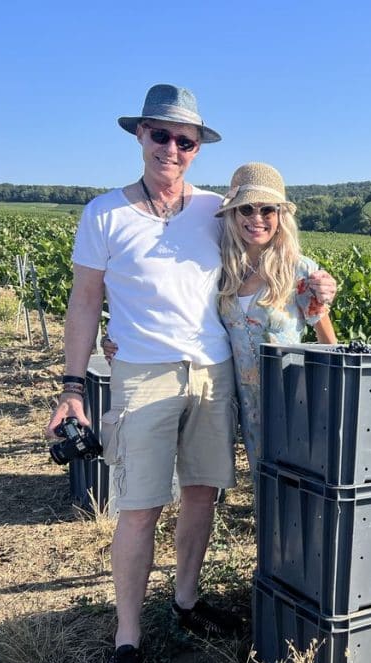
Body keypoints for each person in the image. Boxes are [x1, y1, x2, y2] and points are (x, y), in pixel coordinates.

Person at [45, 84, 336, 663]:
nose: (172, 148)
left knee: (202, 497)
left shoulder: (217, 210)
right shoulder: (104, 213)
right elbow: (85, 302)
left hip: (213, 373)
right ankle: (128, 639)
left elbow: (274, 246)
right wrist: (73, 386)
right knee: (140, 506)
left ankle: (185, 601)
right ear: (140, 137)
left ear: (198, 148)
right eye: (161, 135)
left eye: (185, 140)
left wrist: (317, 284)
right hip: (143, 375)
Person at [106, 162, 339, 470]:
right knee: (260, 478)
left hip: (288, 398)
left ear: (280, 217)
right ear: (232, 215)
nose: (257, 219)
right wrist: (116, 338)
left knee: (293, 479)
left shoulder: (299, 270)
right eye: (246, 210)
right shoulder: (221, 269)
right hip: (238, 399)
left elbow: (327, 339)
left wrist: (329, 395)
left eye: (267, 210)